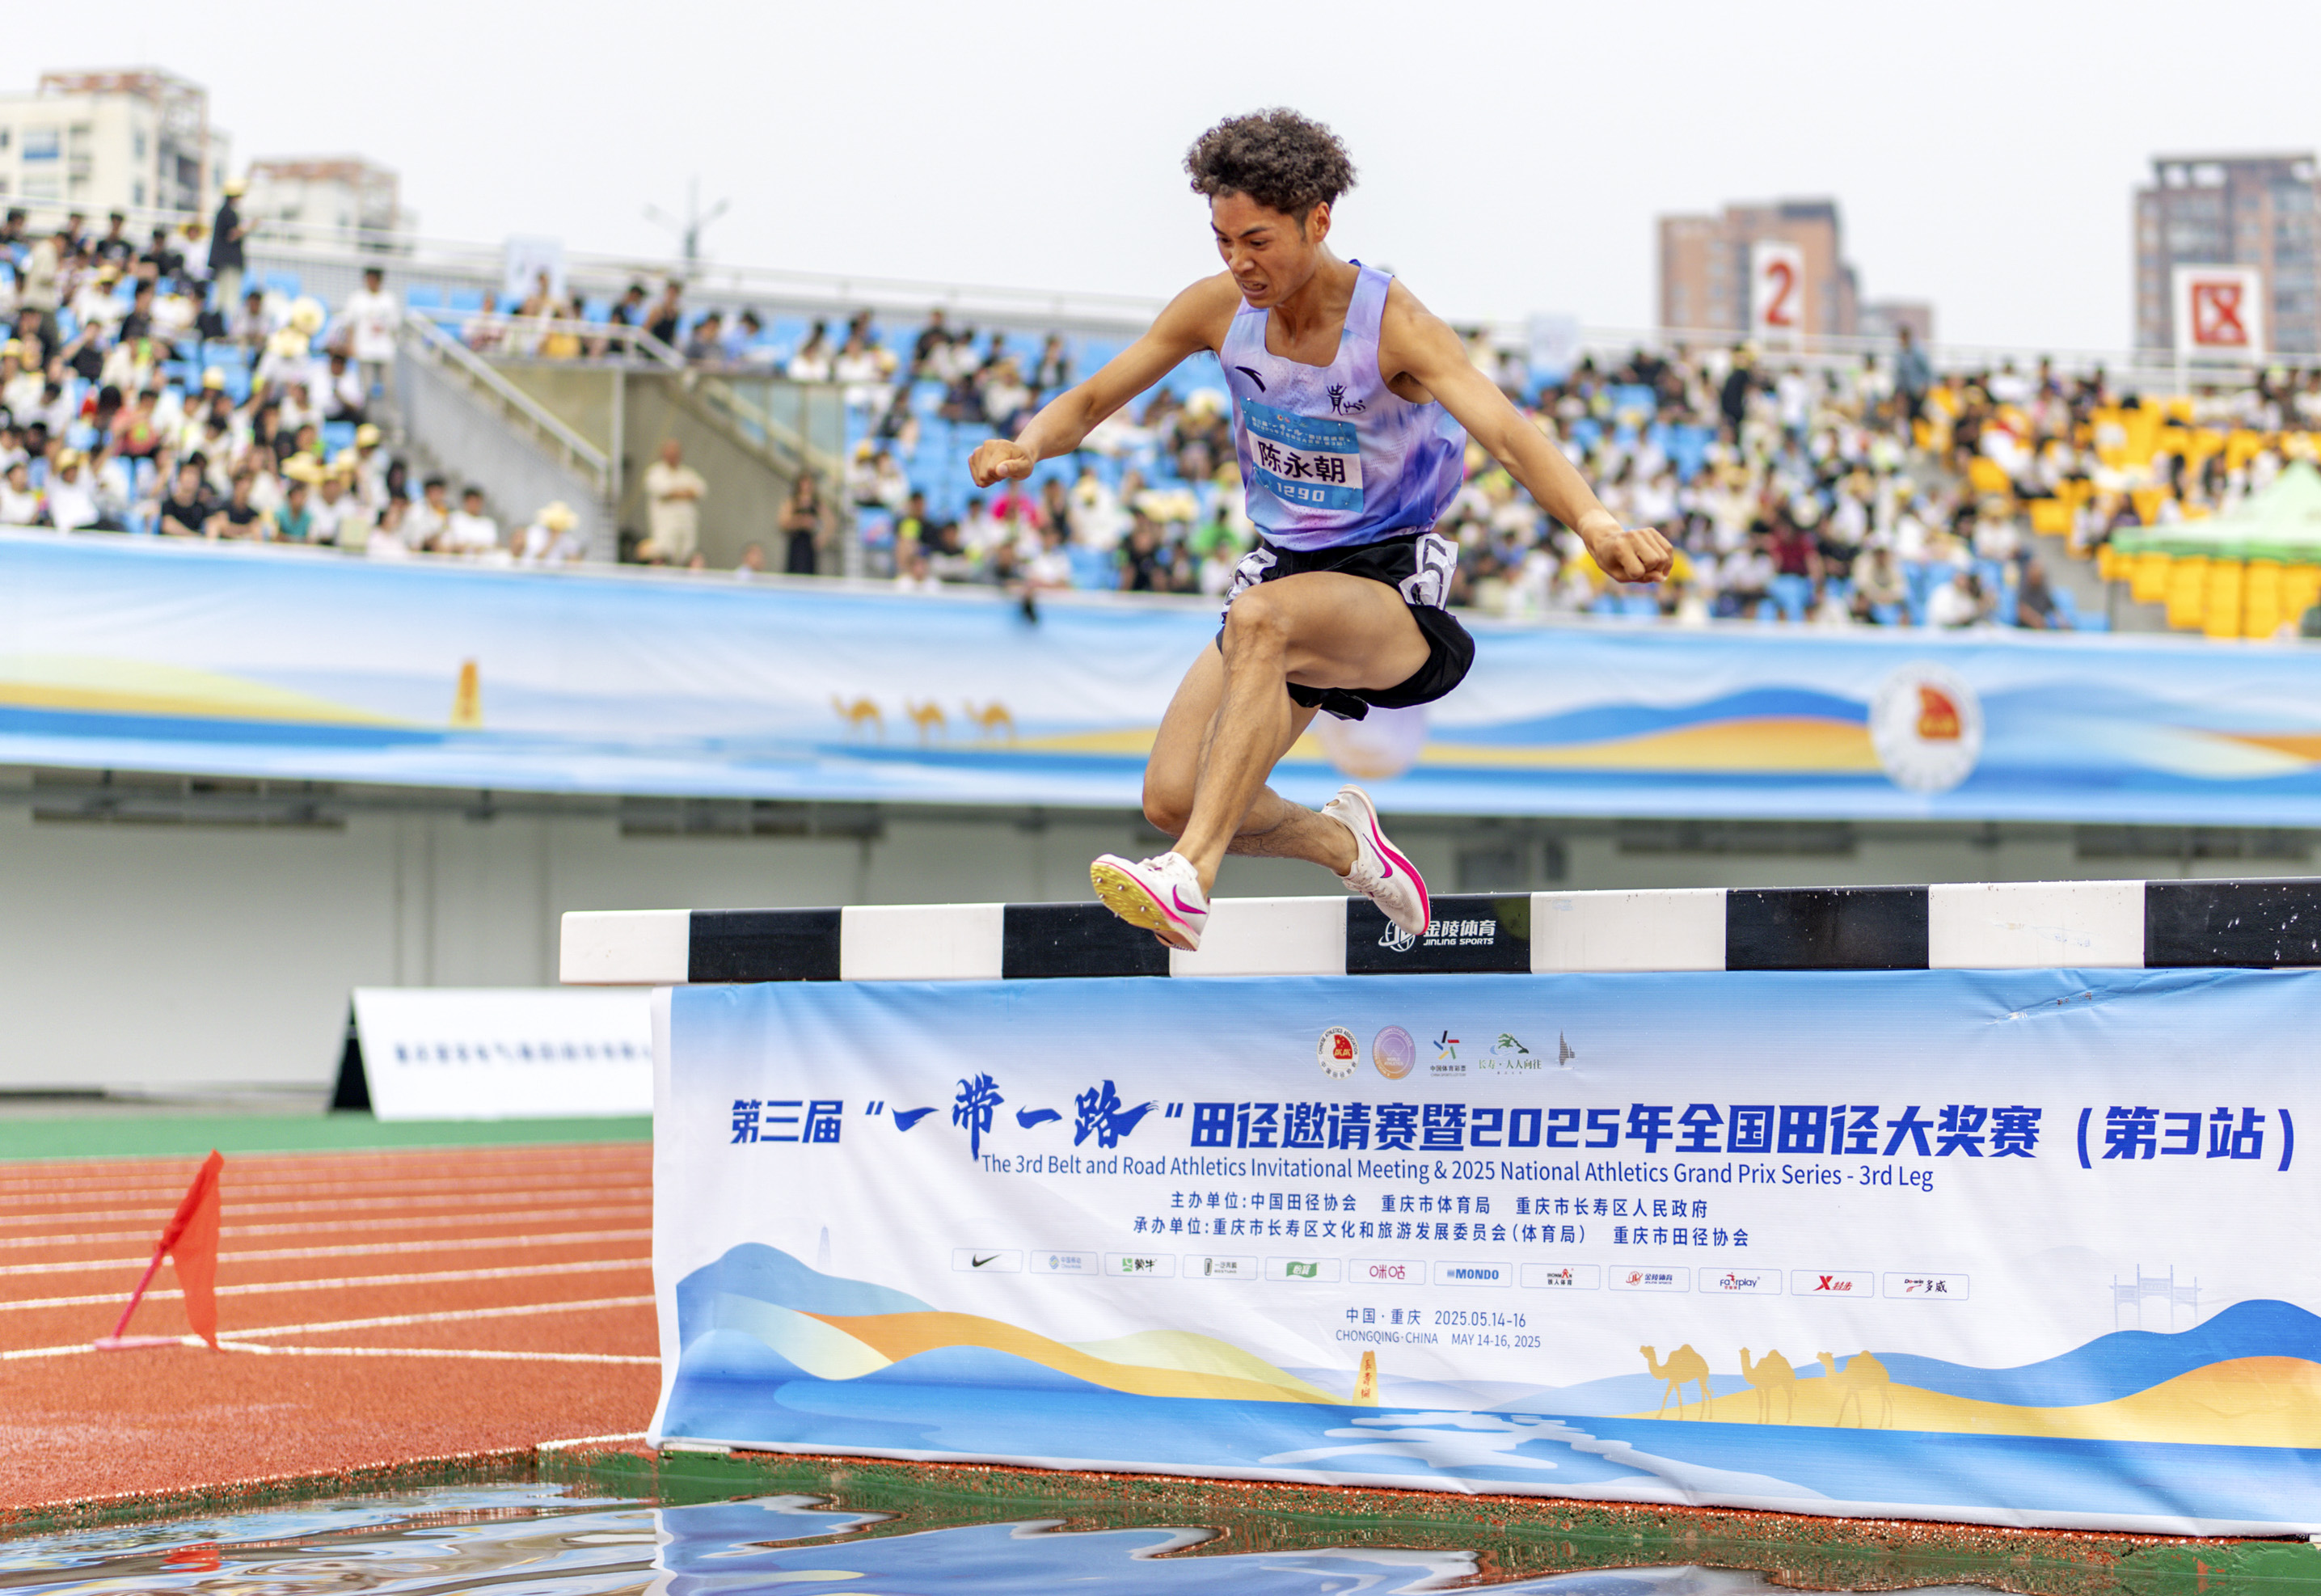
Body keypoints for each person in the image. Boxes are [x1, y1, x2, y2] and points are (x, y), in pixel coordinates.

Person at [968, 110, 1669, 949]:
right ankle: (1347, 845)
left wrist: (1594, 521)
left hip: (1385, 587)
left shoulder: (1392, 324)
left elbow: (1507, 431)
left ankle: (1190, 876)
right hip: (1285, 570)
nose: (1239, 262)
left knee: (1262, 623)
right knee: (1170, 796)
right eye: (1223, 240)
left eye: (1258, 241)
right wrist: (1027, 445)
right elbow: (1090, 402)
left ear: (1319, 220)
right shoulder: (1217, 310)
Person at [344, 266, 399, 419]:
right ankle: (366, 422)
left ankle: (393, 426)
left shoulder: (389, 299)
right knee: (365, 390)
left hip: (385, 352)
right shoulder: (357, 298)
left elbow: (395, 326)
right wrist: (351, 345)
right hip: (365, 351)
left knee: (389, 390)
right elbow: (350, 324)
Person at [644, 438, 706, 564]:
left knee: (688, 557)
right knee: (662, 555)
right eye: (670, 452)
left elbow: (700, 490)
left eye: (676, 453)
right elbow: (664, 491)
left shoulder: (688, 473)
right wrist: (684, 493)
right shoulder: (655, 473)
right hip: (666, 526)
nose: (673, 456)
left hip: (686, 526)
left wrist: (675, 493)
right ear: (663, 454)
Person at [208, 179, 249, 312]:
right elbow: (233, 235)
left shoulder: (221, 211)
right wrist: (249, 227)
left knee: (222, 296)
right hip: (229, 262)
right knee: (229, 297)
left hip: (222, 262)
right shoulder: (229, 213)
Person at [779, 474, 825, 575]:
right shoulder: (792, 502)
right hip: (796, 543)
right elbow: (783, 522)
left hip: (809, 546)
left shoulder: (816, 503)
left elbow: (828, 521)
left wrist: (822, 538)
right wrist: (800, 522)